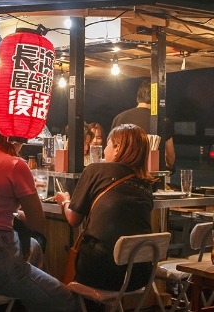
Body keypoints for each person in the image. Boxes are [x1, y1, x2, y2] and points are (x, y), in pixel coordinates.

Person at [0, 117, 80, 312]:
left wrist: (13, 210)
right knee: (67, 300)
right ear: (17, 138)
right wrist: (23, 204)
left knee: (33, 248)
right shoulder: (15, 165)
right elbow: (37, 223)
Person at [55, 124, 156, 292]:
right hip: (139, 274)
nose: (105, 150)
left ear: (117, 148)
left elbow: (74, 219)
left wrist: (65, 200)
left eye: (108, 144)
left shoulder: (96, 169)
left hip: (102, 271)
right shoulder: (146, 182)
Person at [112, 80, 176, 169]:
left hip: (122, 172)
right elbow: (170, 155)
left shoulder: (119, 118)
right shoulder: (163, 121)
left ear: (138, 97)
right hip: (151, 175)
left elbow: (111, 148)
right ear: (156, 99)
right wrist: (170, 167)